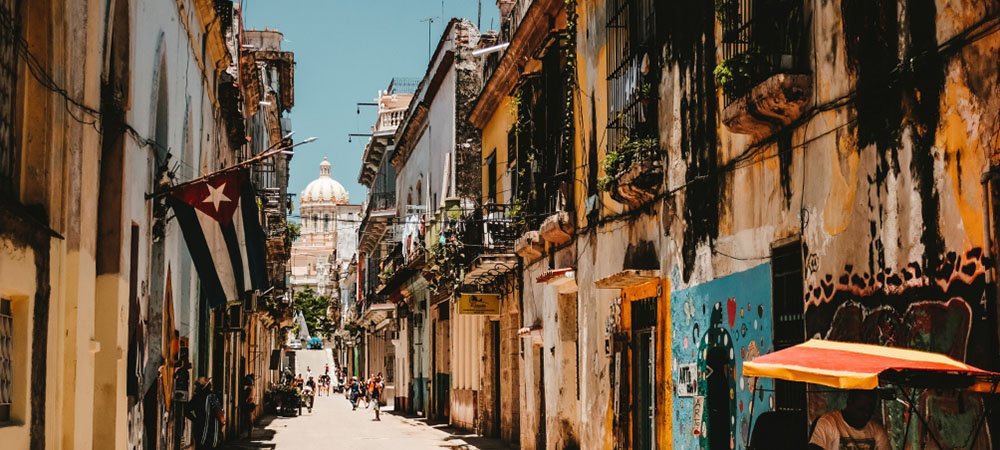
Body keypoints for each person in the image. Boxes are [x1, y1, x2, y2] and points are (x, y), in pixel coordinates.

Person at [809, 389, 891, 450]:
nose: (866, 414)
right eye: (861, 409)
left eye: (870, 411)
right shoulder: (828, 423)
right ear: (849, 402)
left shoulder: (877, 430)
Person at [186, 377, 225, 450]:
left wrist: (196, 420)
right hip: (212, 433)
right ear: (207, 386)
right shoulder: (212, 397)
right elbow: (220, 414)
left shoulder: (196, 397)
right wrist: (223, 423)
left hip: (199, 430)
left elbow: (186, 410)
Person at [240, 374, 255, 438]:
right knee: (250, 420)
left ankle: (249, 434)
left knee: (249, 420)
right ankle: (250, 433)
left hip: (248, 404)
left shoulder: (249, 388)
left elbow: (246, 397)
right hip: (251, 404)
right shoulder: (252, 387)